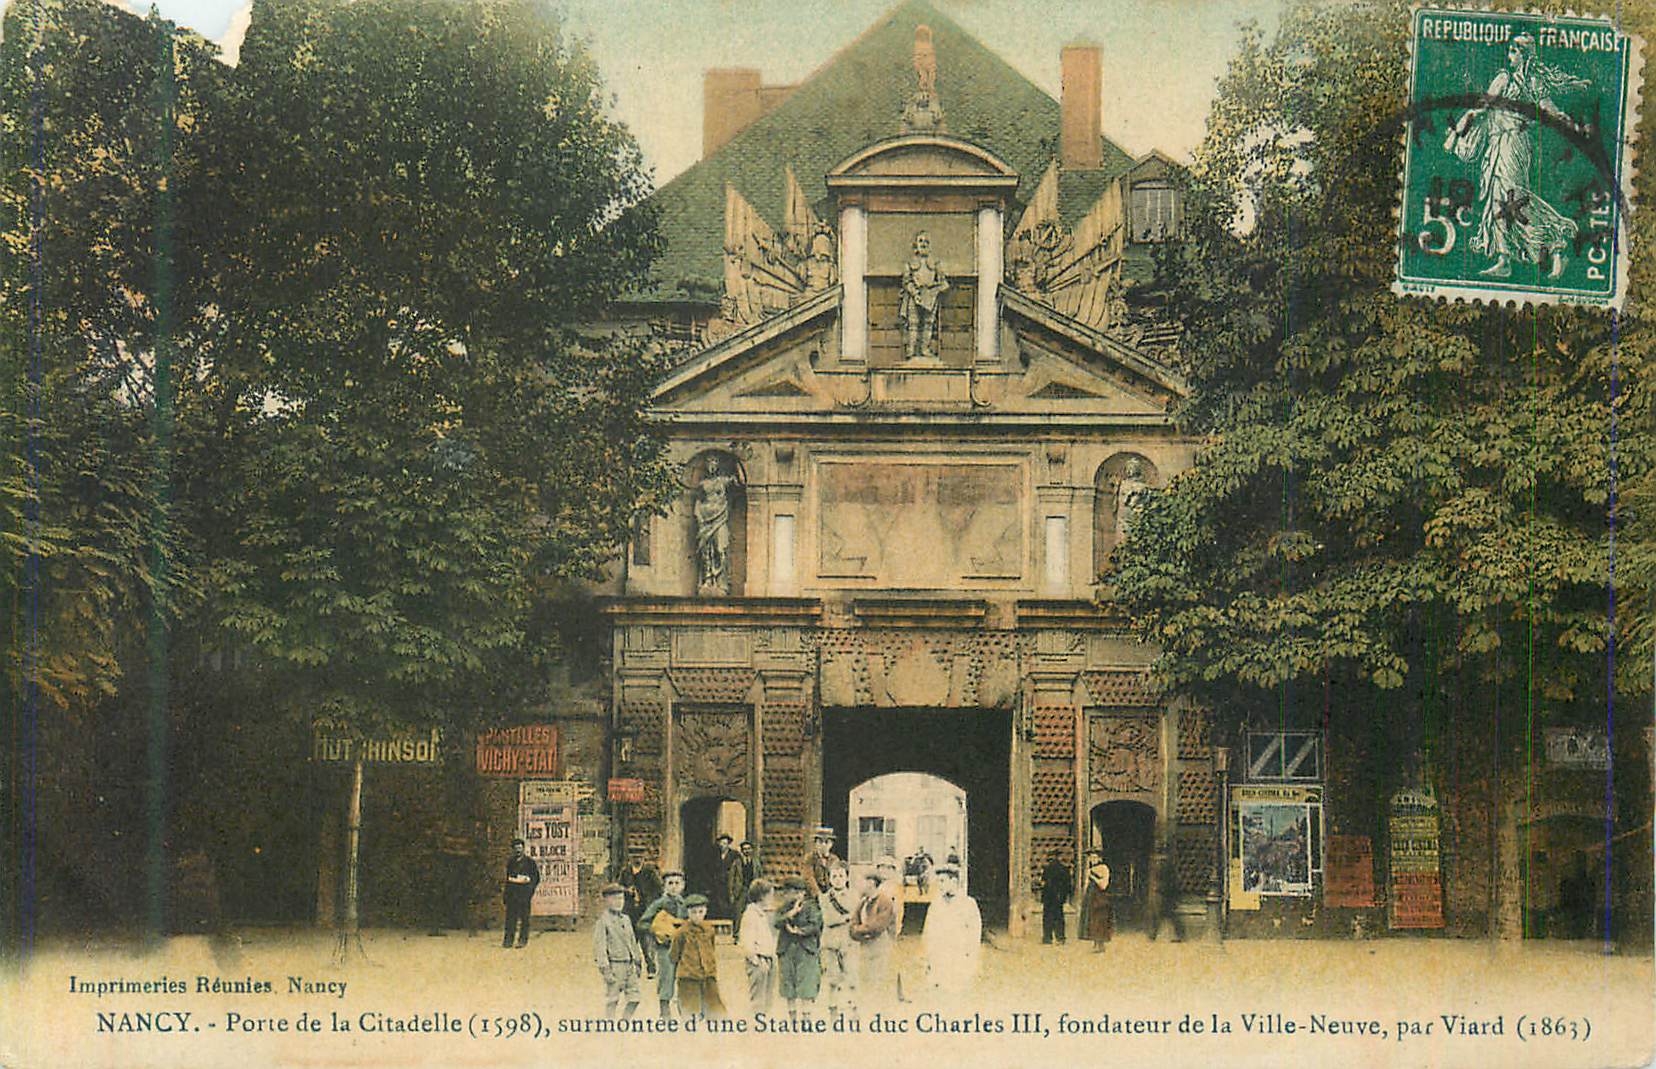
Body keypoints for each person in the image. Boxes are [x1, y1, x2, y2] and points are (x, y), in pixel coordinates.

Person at [1445, 33, 1590, 280]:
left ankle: (1556, 245)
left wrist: (1572, 124)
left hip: (1515, 145)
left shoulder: (1532, 83)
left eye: (1514, 52)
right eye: (1510, 51)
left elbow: (1550, 110)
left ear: (1524, 55)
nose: (1509, 56)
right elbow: (1482, 108)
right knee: (1498, 201)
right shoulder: (1503, 78)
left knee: (1514, 200)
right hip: (1497, 144)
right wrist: (1461, 128)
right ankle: (1505, 259)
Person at [921, 865, 982, 1002]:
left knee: (957, 997)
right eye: (938, 882)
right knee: (938, 997)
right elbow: (928, 932)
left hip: (958, 959)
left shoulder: (968, 904)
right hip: (939, 959)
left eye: (942, 881)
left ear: (954, 881)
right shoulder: (936, 904)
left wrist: (970, 960)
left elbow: (974, 935)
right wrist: (928, 957)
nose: (939, 885)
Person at [639, 871, 687, 1017]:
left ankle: (684, 1012)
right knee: (667, 977)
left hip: (682, 948)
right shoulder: (659, 904)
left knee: (684, 978)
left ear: (683, 886)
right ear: (664, 886)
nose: (673, 887)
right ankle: (665, 1012)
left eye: (677, 883)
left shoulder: (685, 904)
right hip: (665, 948)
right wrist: (658, 931)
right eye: (670, 883)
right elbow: (643, 923)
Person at [592, 883, 644, 1018]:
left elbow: (632, 941)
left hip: (629, 965)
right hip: (615, 965)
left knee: (635, 998)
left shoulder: (626, 919)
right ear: (606, 900)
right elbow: (600, 948)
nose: (618, 902)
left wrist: (637, 961)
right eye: (614, 899)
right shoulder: (603, 922)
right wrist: (605, 970)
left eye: (621, 898)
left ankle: (624, 1021)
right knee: (612, 999)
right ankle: (610, 1024)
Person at [775, 876, 823, 1022]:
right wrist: (792, 913)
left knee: (805, 985)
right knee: (788, 986)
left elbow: (816, 925)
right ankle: (792, 1019)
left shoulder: (811, 907)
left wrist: (799, 931)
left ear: (803, 893)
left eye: (798, 892)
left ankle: (806, 1018)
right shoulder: (784, 908)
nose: (794, 895)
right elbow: (776, 922)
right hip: (787, 949)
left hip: (806, 949)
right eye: (790, 892)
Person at [849, 865, 898, 1006]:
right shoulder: (862, 902)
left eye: (861, 881)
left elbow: (876, 926)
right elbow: (852, 926)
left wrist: (859, 930)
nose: (858, 884)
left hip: (880, 948)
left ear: (871, 883)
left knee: (878, 984)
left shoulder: (884, 901)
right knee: (865, 982)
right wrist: (859, 932)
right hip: (864, 947)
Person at [671, 894, 726, 1019]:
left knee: (715, 1012)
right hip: (689, 977)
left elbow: (711, 948)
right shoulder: (682, 932)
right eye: (693, 912)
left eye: (700, 912)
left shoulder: (709, 930)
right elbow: (674, 955)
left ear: (705, 911)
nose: (697, 916)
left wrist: (710, 966)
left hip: (708, 975)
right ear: (688, 913)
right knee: (691, 1013)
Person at [897, 231, 949, 361]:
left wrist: (935, 291)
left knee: (928, 324)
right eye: (921, 241)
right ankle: (911, 350)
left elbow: (944, 283)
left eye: (926, 241)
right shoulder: (909, 264)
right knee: (913, 324)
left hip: (930, 298)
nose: (924, 244)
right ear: (916, 245)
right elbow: (906, 281)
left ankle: (925, 349)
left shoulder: (936, 264)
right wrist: (915, 293)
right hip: (914, 297)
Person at [818, 861, 858, 1019]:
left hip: (848, 942)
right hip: (830, 943)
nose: (838, 879)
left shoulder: (853, 896)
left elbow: (856, 916)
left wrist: (848, 918)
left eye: (841, 875)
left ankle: (853, 1007)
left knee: (851, 977)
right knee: (833, 980)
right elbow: (828, 919)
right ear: (829, 878)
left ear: (847, 878)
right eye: (834, 876)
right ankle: (833, 1009)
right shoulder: (824, 898)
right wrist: (846, 917)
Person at [694, 457, 741, 593]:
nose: (712, 466)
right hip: (706, 520)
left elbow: (741, 481)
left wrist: (738, 458)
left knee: (721, 549)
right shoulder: (702, 484)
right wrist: (698, 516)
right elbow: (697, 501)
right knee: (706, 551)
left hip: (720, 519)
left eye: (714, 463)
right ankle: (708, 579)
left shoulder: (723, 481)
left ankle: (721, 581)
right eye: (709, 464)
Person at [738, 878, 778, 1013]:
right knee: (758, 1000)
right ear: (762, 896)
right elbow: (746, 942)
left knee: (768, 999)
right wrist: (757, 961)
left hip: (768, 960)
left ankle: (764, 1026)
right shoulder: (750, 915)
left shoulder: (762, 914)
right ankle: (757, 1028)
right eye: (770, 895)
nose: (772, 898)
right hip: (759, 962)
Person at [619, 852, 663, 975]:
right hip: (630, 910)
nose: (636, 859)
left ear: (643, 858)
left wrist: (652, 904)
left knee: (646, 941)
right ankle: (635, 968)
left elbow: (659, 888)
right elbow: (619, 886)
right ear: (630, 858)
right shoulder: (626, 872)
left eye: (639, 857)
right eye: (634, 857)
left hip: (645, 910)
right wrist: (627, 890)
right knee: (631, 940)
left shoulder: (649, 871)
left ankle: (651, 968)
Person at [502, 838, 539, 949]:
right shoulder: (511, 862)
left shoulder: (530, 862)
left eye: (520, 848)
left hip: (524, 894)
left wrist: (529, 889)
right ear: (513, 850)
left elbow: (536, 878)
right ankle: (508, 940)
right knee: (510, 919)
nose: (518, 850)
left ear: (523, 849)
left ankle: (522, 940)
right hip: (512, 894)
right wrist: (506, 895)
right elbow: (508, 879)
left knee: (524, 919)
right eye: (516, 848)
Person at [1080, 851, 1113, 953]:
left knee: (1100, 920)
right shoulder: (1090, 869)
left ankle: (1100, 944)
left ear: (1099, 858)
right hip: (1091, 897)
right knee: (1091, 920)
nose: (1092, 860)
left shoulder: (1104, 868)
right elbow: (1086, 884)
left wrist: (1093, 877)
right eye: (1091, 858)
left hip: (1100, 898)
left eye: (1095, 858)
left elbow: (1103, 885)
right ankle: (1095, 942)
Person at [1148, 853, 1185, 943]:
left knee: (1160, 914)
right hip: (1164, 893)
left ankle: (1153, 934)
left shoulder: (1160, 865)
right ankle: (1178, 934)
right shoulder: (1167, 865)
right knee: (1168, 915)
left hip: (1163, 893)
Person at [1040, 851, 1073, 945]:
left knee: (1047, 917)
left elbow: (1043, 883)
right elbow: (1068, 885)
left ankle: (1047, 938)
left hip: (1048, 897)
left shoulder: (1047, 869)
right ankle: (1060, 938)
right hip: (1059, 897)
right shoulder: (1065, 869)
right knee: (1059, 917)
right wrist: (1064, 896)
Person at [712, 833, 741, 923]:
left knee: (730, 903)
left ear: (728, 844)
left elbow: (738, 871)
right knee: (719, 903)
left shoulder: (734, 854)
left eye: (725, 843)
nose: (723, 845)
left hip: (729, 882)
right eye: (721, 843)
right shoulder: (715, 854)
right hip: (718, 883)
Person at [806, 826, 842, 895]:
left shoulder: (835, 859)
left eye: (827, 842)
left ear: (831, 844)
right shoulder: (810, 858)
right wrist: (818, 895)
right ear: (815, 843)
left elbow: (837, 877)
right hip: (814, 895)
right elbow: (809, 878)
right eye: (820, 842)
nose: (823, 845)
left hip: (832, 894)